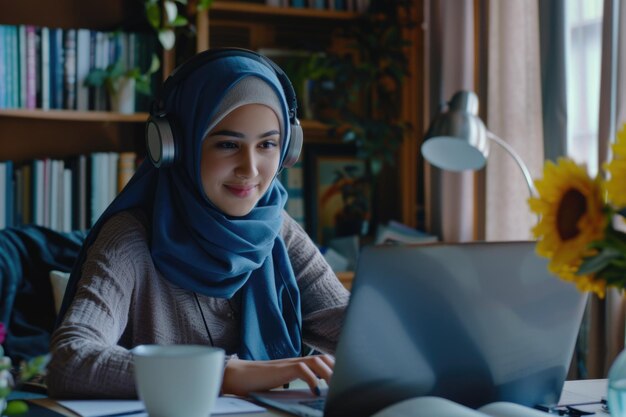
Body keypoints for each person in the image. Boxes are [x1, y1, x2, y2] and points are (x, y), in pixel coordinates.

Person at [47, 48, 350, 399]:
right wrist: (226, 373)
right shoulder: (130, 237)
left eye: (268, 144)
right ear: (176, 146)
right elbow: (69, 360)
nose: (250, 168)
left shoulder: (277, 229)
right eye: (227, 144)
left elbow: (357, 335)